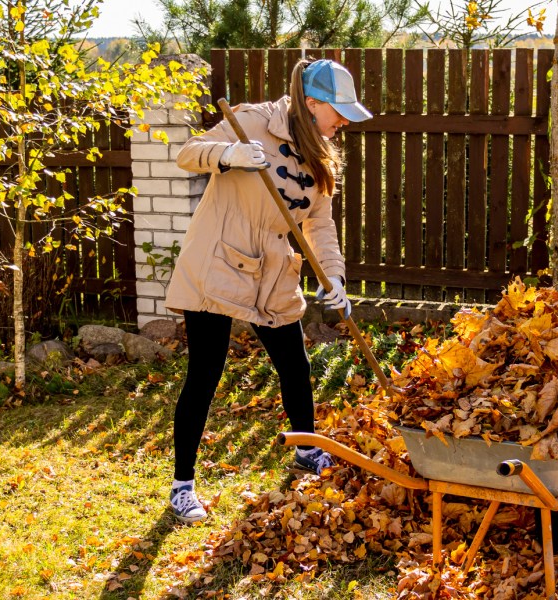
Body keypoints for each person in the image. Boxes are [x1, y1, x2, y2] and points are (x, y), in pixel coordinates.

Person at [161, 58, 373, 523]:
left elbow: (320, 224)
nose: (343, 122)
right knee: (205, 373)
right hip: (219, 259)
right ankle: (182, 486)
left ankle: (306, 451)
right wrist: (229, 155)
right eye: (339, 112)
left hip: (273, 270)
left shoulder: (320, 151)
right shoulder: (252, 121)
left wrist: (334, 277)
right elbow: (188, 153)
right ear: (312, 103)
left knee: (295, 366)